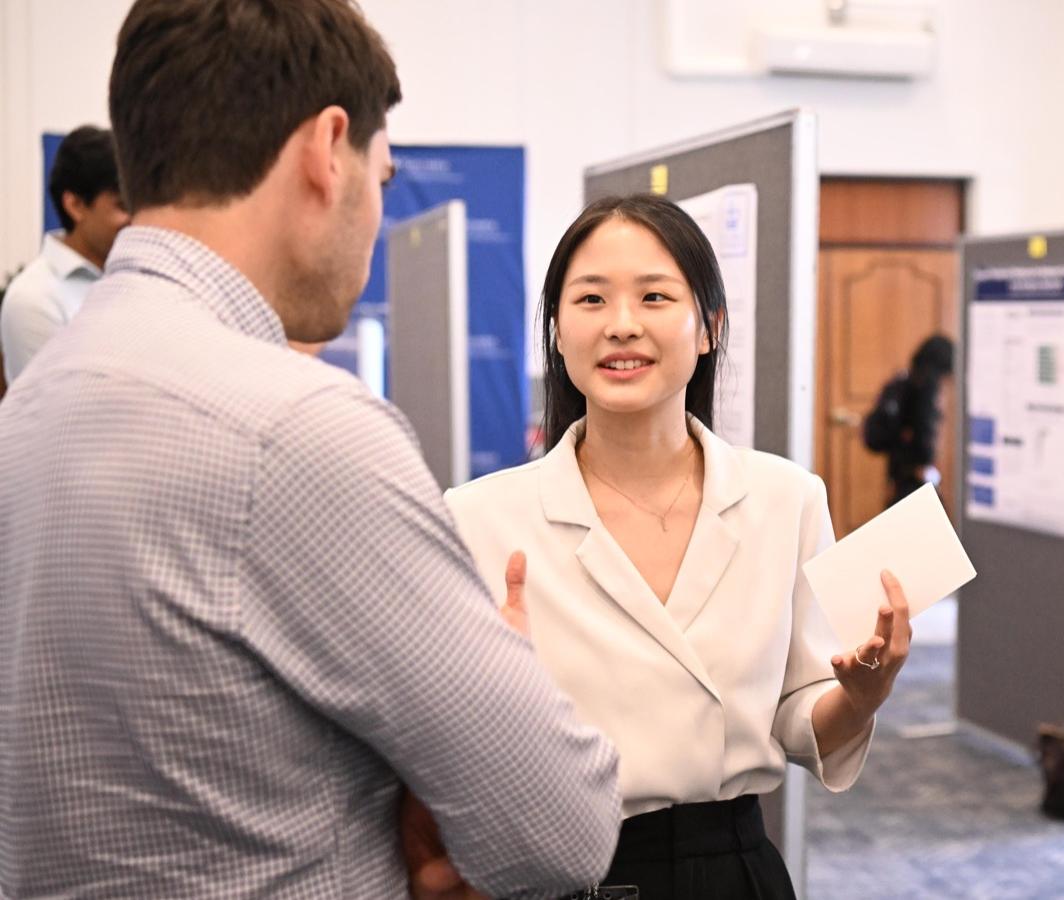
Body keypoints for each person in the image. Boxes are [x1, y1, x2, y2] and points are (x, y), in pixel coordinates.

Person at [0, 2, 620, 897]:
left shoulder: (29, 411)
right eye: (383, 173)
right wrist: (501, 684)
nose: (375, 214)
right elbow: (554, 833)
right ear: (329, 149)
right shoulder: (297, 432)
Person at [439, 194, 914, 899]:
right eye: (591, 299)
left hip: (729, 867)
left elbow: (796, 714)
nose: (621, 325)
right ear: (557, 332)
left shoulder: (786, 499)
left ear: (709, 328)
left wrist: (861, 696)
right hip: (561, 874)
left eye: (655, 297)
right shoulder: (480, 517)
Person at [0, 125, 129, 383]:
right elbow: (59, 409)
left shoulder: (128, 277)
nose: (133, 218)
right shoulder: (34, 299)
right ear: (76, 205)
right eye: (121, 205)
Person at [867, 334, 955, 505]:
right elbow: (924, 434)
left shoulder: (901, 383)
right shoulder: (927, 389)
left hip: (899, 477)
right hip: (918, 479)